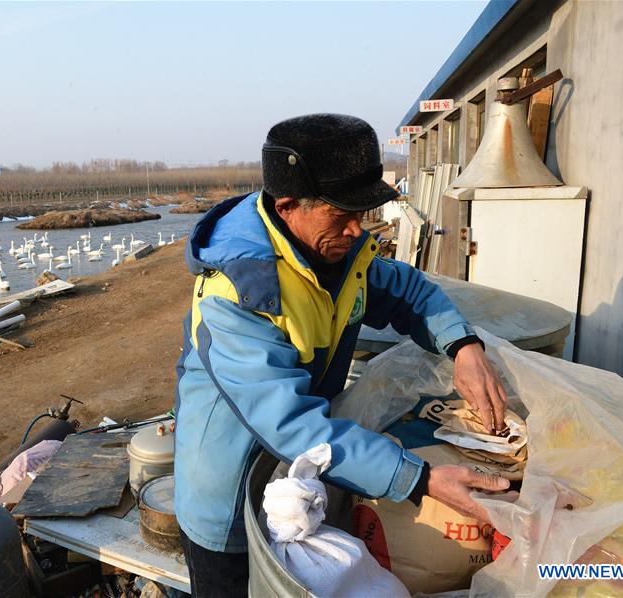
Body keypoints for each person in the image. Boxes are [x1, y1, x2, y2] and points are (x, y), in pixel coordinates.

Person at [174, 113, 509, 597]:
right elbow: (291, 424)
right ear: (288, 205)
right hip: (227, 492)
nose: (358, 231)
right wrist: (419, 480)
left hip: (304, 477)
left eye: (364, 214)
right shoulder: (237, 291)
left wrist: (463, 346)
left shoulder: (338, 251)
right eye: (343, 216)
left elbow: (409, 292)